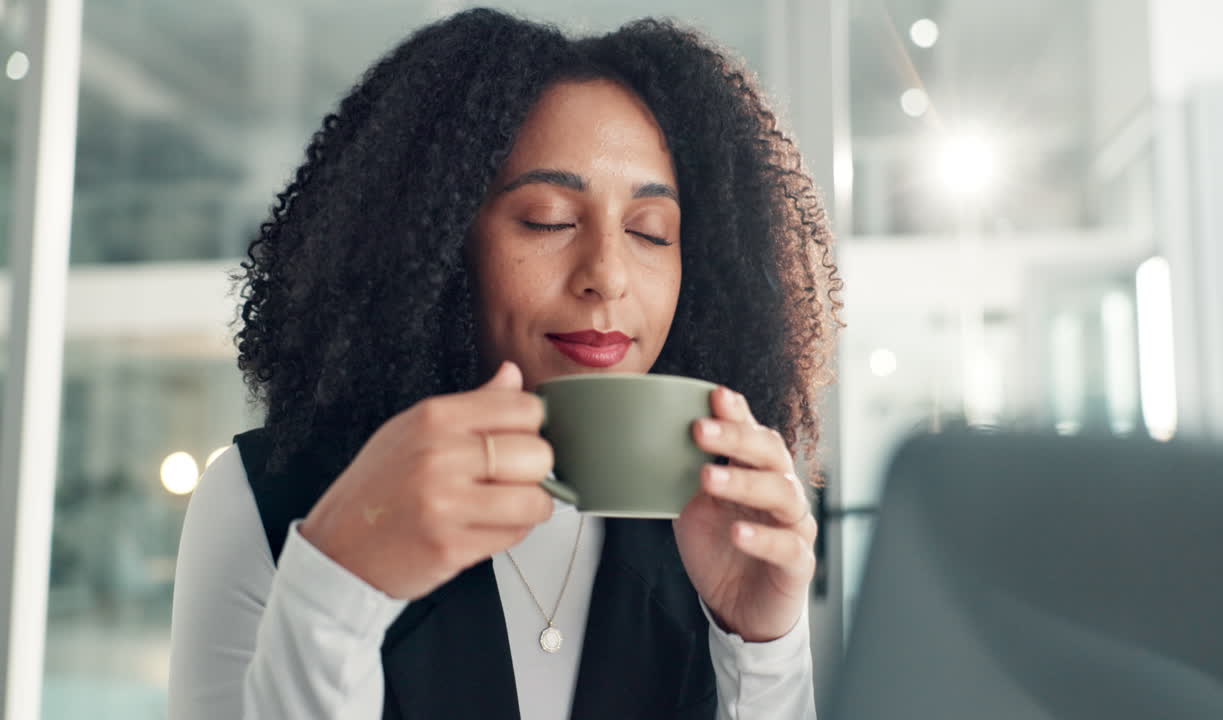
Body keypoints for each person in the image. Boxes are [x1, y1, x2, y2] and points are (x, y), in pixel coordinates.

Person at [168, 8, 843, 720]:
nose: (607, 276)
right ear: (440, 240)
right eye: (548, 219)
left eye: (652, 231)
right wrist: (335, 589)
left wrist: (762, 648)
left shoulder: (712, 530)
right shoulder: (268, 504)